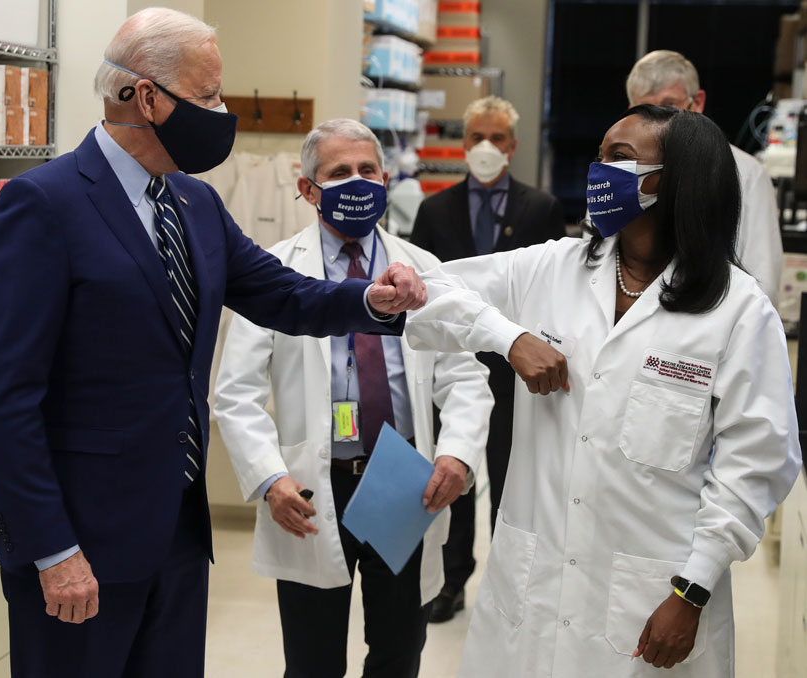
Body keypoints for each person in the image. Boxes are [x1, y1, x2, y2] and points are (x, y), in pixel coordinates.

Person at [0, 10, 426, 678]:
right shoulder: (44, 204)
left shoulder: (192, 202)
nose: (221, 110)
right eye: (208, 95)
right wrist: (53, 550)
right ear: (147, 97)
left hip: (176, 537)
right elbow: (5, 398)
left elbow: (281, 293)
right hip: (81, 546)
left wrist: (371, 299)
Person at [404, 105, 801, 677]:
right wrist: (507, 336)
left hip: (652, 599)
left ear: (677, 180)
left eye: (620, 159)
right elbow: (424, 287)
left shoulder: (738, 311)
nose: (598, 172)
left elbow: (754, 465)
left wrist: (691, 591)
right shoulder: (552, 268)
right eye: (599, 156)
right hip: (532, 587)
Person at [213, 118, 493, 678]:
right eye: (339, 172)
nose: (357, 182)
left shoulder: (423, 270)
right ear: (307, 189)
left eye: (368, 170)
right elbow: (234, 392)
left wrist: (458, 453)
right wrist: (269, 478)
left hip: (402, 479)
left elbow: (464, 376)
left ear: (386, 180)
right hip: (312, 488)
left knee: (397, 651)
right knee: (312, 659)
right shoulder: (275, 272)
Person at [410, 95, 565, 622]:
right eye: (476, 136)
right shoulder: (435, 210)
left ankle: (507, 584)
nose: (485, 147)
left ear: (513, 147)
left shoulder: (539, 208)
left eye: (496, 138)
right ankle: (451, 581)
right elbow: (422, 294)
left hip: (514, 373)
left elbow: (554, 292)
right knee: (453, 469)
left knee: (510, 475)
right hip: (451, 370)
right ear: (462, 144)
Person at [626, 49, 782, 305]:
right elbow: (596, 257)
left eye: (669, 106)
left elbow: (764, 281)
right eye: (646, 110)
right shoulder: (619, 169)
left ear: (696, 102)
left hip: (711, 326)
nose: (658, 122)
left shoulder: (746, 172)